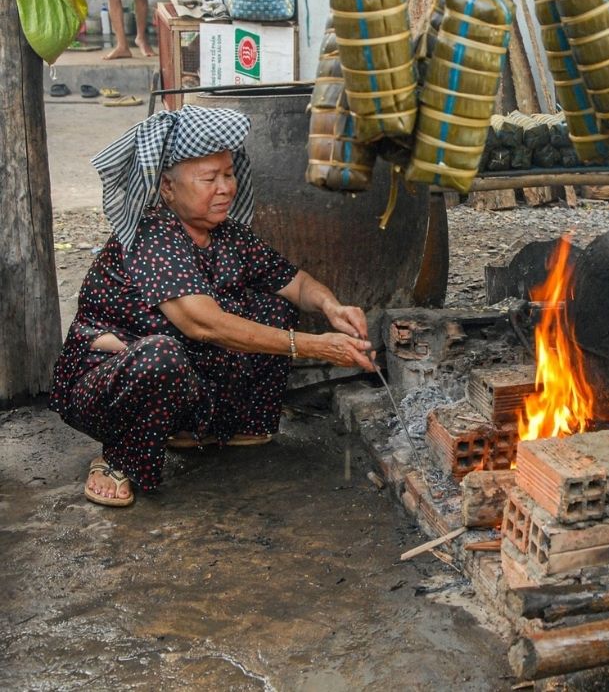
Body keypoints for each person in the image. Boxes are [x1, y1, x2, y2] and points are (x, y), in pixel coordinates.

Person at [50, 106, 377, 507]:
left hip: (181, 378)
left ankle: (215, 429)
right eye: (209, 178)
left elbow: (295, 283)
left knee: (271, 309)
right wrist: (315, 346)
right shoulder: (154, 235)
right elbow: (202, 324)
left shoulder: (228, 235)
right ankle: (118, 459)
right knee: (161, 355)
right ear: (168, 188)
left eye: (228, 174)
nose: (225, 187)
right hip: (103, 381)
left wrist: (332, 307)